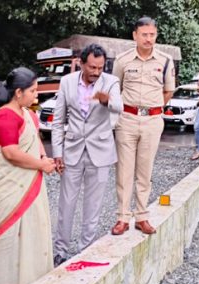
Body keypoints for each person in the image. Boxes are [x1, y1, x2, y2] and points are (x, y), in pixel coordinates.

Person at [0, 67, 56, 284]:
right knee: (8, 236)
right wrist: (41, 165)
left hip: (29, 180)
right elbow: (11, 153)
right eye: (33, 91)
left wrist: (45, 159)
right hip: (8, 183)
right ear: (18, 92)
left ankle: (31, 281)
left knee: (34, 228)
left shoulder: (28, 114)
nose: (36, 96)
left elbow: (36, 140)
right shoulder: (5, 116)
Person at [51, 44, 124, 266]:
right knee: (66, 203)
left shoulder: (110, 82)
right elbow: (58, 121)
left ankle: (86, 249)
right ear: (81, 63)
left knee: (93, 205)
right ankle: (60, 249)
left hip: (100, 152)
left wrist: (105, 100)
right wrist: (57, 153)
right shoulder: (66, 82)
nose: (95, 72)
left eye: (100, 68)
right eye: (92, 67)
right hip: (72, 150)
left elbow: (119, 107)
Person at [110, 16, 176, 236]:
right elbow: (114, 89)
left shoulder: (165, 61)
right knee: (124, 171)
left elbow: (168, 91)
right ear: (135, 36)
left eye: (152, 34)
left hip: (152, 121)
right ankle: (122, 217)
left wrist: (152, 109)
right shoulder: (122, 60)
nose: (149, 39)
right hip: (126, 120)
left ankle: (142, 216)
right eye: (144, 35)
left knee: (144, 171)